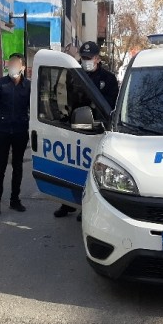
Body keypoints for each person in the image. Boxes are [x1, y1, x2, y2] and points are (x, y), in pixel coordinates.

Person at [54, 41, 119, 220]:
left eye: (89, 58)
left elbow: (110, 106)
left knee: (89, 171)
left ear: (98, 58)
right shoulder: (74, 75)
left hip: (96, 130)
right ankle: (67, 203)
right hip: (74, 127)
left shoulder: (108, 78)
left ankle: (86, 206)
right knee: (69, 167)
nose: (86, 61)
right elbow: (64, 98)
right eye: (83, 58)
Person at [0, 53, 31, 218]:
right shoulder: (0, 84)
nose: (13, 66)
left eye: (16, 64)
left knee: (18, 167)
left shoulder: (28, 86)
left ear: (23, 68)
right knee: (0, 168)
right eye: (10, 63)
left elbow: (33, 109)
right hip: (3, 132)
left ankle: (15, 200)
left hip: (20, 131)